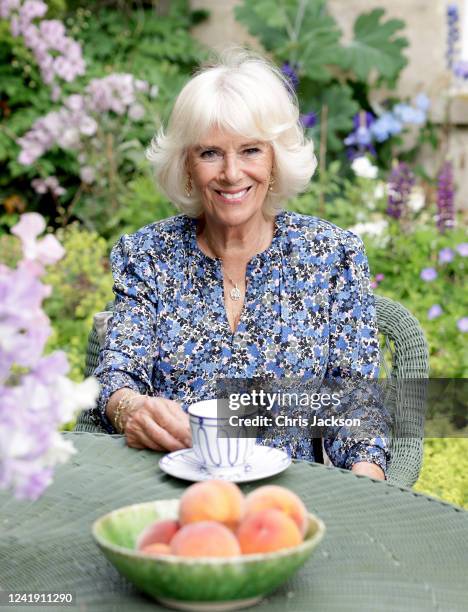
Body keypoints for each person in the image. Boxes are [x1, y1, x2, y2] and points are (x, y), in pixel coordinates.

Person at [91, 49, 390, 480]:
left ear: (274, 161)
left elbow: (356, 405)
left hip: (287, 503)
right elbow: (118, 372)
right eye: (211, 153)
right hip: (169, 491)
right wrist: (131, 409)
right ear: (187, 166)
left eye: (250, 150)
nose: (232, 173)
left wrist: (364, 490)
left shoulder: (332, 255)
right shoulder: (148, 256)